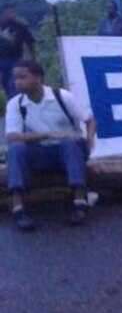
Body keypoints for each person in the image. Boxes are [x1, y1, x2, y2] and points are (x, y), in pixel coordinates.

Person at [5, 60, 96, 231]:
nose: (18, 82)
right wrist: (48, 135)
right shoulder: (15, 104)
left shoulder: (62, 97)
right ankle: (18, 207)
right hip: (40, 152)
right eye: (15, 78)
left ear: (38, 78)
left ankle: (80, 202)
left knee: (70, 143)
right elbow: (12, 136)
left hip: (68, 152)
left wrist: (90, 140)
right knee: (16, 149)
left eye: (23, 77)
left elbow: (89, 119)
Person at [0, 3, 37, 98]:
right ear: (4, 12)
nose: (13, 14)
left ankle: (15, 101)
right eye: (10, 11)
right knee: (5, 82)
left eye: (14, 11)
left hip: (16, 59)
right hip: (1, 60)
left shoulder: (20, 27)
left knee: (13, 82)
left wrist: (33, 58)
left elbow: (30, 42)